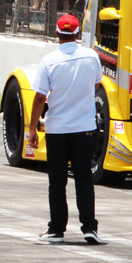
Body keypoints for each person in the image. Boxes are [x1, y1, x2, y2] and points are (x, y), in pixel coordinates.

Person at [27, 14, 104, 244]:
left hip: (57, 129)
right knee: (84, 178)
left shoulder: (49, 61)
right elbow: (97, 84)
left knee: (57, 180)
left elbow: (40, 97)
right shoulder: (91, 56)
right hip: (84, 128)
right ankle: (89, 228)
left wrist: (32, 128)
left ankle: (57, 229)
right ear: (78, 34)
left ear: (57, 33)